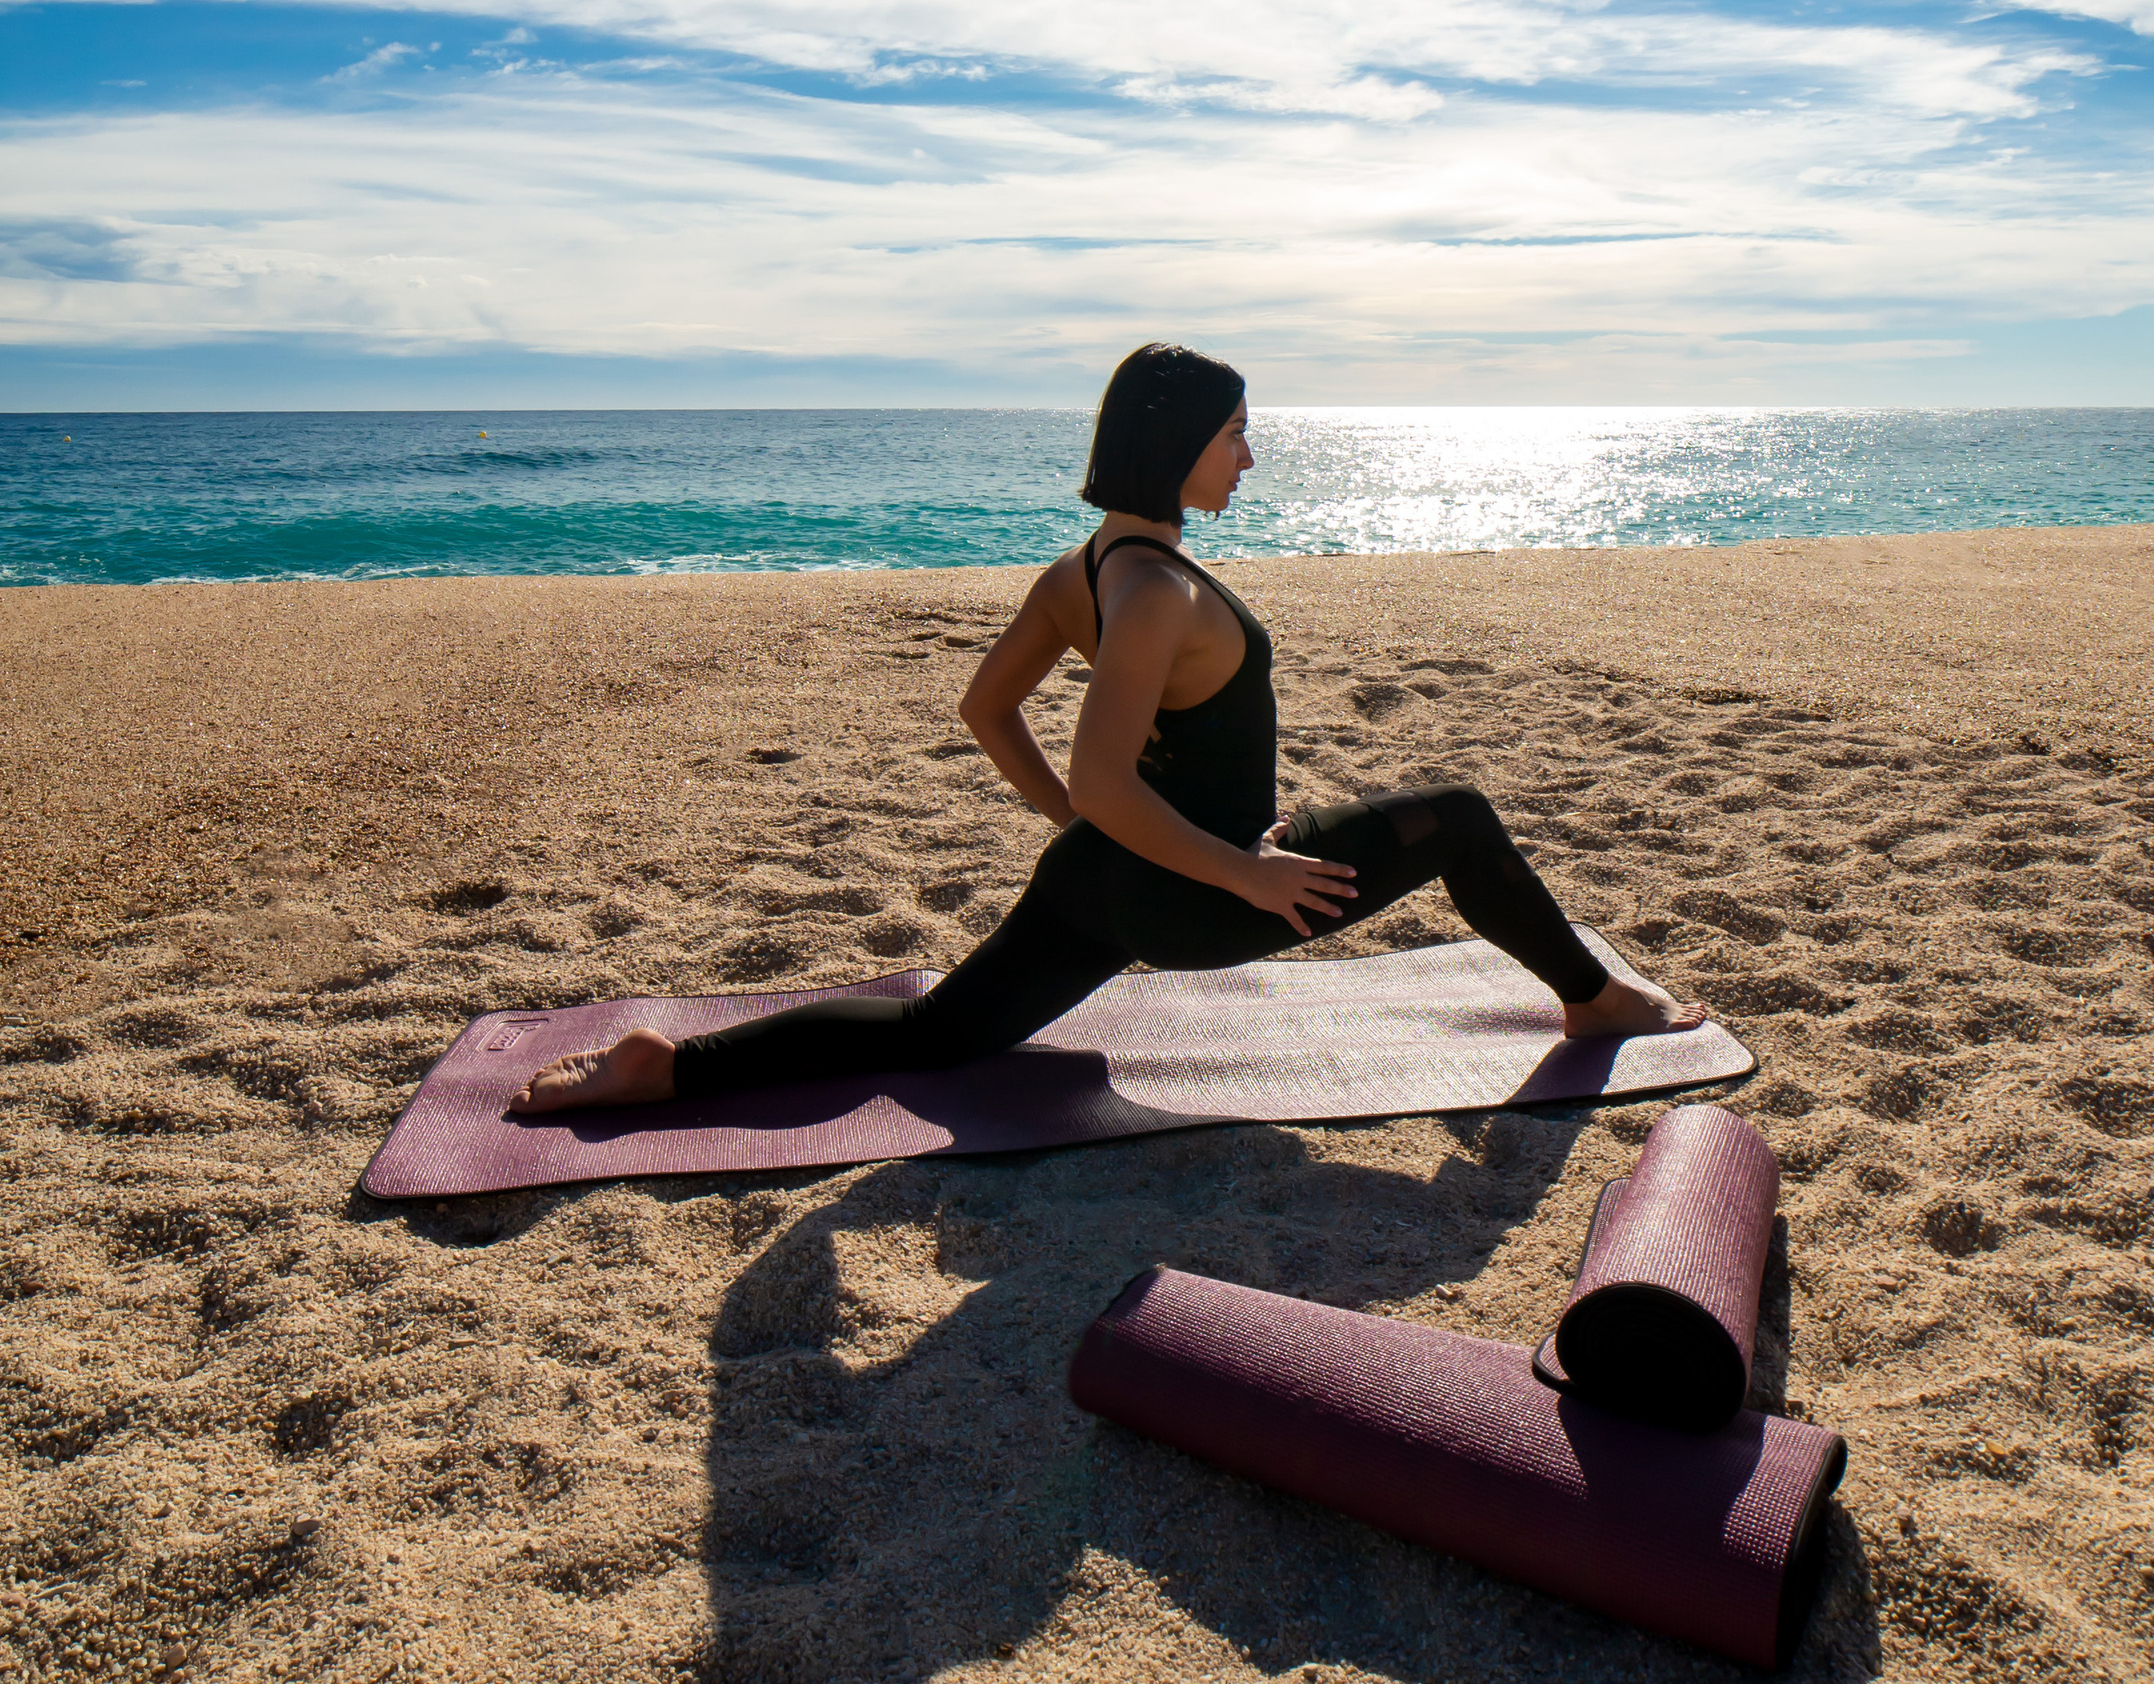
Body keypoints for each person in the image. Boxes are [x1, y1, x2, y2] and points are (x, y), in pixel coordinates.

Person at [513, 343, 1702, 1114]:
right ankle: (1591, 997)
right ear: (1179, 443)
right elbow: (1100, 771)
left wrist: (1089, 827)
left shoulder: (1086, 569)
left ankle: (667, 1064)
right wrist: (1244, 866)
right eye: (1236, 429)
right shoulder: (1158, 593)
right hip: (1195, 896)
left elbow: (990, 712)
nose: (1249, 451)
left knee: (940, 1034)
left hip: (1111, 877)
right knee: (1461, 814)